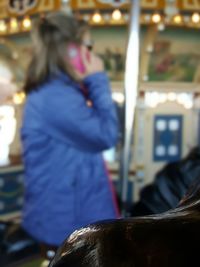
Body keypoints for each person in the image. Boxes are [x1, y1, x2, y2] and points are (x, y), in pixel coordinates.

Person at [20, 12, 119, 252]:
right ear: (69, 50)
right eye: (88, 46)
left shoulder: (57, 92)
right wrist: (97, 79)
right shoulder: (56, 98)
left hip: (68, 209)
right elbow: (106, 134)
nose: (92, 55)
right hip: (65, 218)